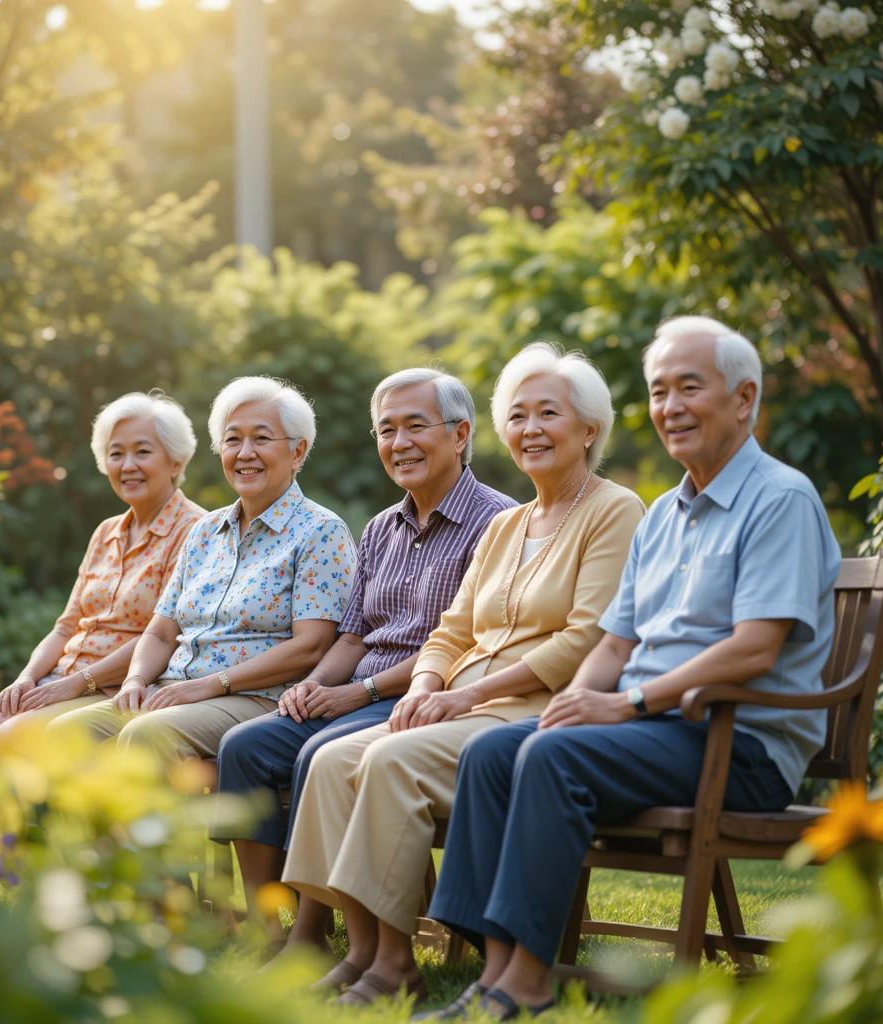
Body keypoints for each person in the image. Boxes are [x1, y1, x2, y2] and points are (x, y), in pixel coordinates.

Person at [424, 316, 842, 1021]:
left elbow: (754, 648)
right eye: (658, 390)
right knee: (497, 750)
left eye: (690, 387)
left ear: (743, 399)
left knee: (553, 758)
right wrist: (574, 700)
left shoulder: (780, 498)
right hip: (661, 733)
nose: (670, 406)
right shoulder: (665, 515)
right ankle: (493, 978)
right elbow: (613, 644)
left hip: (735, 744)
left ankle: (527, 985)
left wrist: (625, 704)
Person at [281, 344, 645, 1005]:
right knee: (334, 760)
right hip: (464, 699)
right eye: (519, 415)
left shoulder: (615, 510)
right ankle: (364, 952)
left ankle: (396, 966)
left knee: (391, 761)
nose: (530, 429)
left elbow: (588, 636)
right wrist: (425, 687)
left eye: (548, 414)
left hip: (533, 707)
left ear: (589, 429)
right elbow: (451, 632)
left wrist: (467, 693)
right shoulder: (507, 525)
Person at [215, 368, 516, 942]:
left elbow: (469, 643)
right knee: (246, 747)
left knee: (319, 753)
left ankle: (310, 932)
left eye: (415, 426)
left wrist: (361, 692)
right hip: (358, 694)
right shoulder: (381, 528)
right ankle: (266, 926)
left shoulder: (497, 522)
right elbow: (352, 637)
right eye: (386, 430)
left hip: (420, 695)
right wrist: (314, 685)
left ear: (460, 435)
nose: (399, 443)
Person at [48, 377, 355, 762]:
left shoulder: (321, 531)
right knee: (63, 733)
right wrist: (136, 679)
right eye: (232, 440)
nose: (244, 453)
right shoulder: (205, 531)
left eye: (261, 438)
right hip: (174, 688)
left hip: (255, 698)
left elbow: (311, 647)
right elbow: (161, 632)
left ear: (298, 452)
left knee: (147, 735)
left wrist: (211, 685)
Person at [0, 392, 204, 771]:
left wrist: (76, 683)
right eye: (116, 453)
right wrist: (27, 677)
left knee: (14, 737)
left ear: (176, 460)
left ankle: (27, 830)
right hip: (59, 679)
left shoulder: (196, 530)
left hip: (115, 689)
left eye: (143, 451)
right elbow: (66, 626)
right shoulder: (105, 532)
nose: (128, 465)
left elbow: (165, 634)